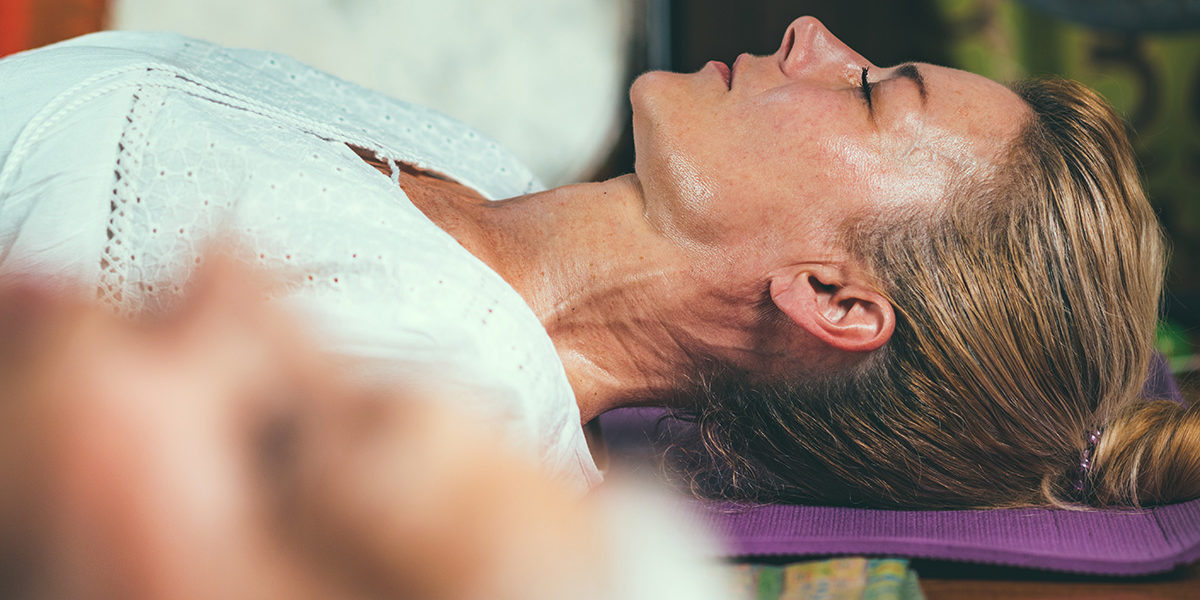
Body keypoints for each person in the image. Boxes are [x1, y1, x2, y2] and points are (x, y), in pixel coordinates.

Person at [0, 16, 1195, 509]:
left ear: (830, 297)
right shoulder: (471, 160)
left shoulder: (434, 413)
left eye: (874, 92)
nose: (811, 37)